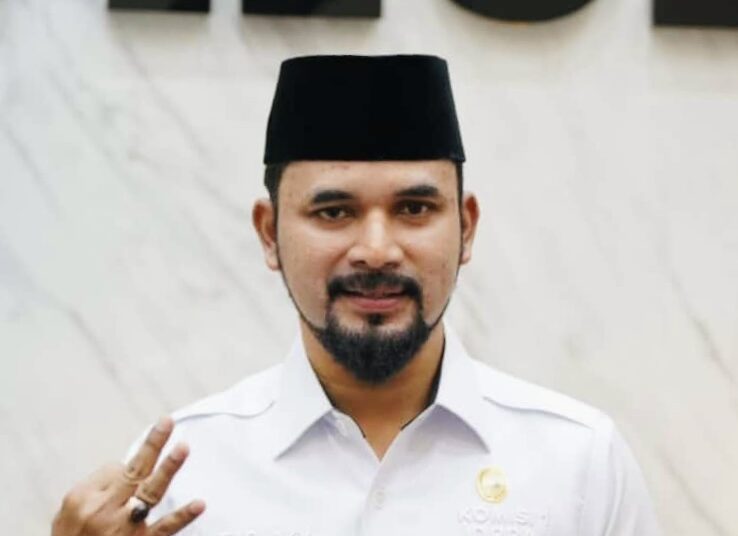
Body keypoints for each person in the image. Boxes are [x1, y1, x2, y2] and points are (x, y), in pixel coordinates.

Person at [52, 54, 661, 536]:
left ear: (467, 227)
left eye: (414, 208)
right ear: (269, 233)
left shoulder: (577, 461)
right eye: (334, 211)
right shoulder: (181, 473)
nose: (376, 250)